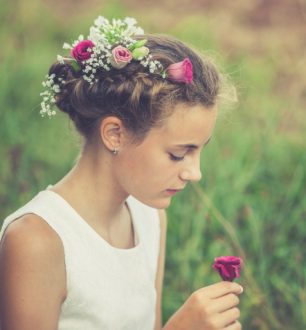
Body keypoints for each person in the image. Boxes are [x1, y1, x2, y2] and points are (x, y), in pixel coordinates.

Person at [0, 16, 243, 330]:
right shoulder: (37, 241)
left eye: (199, 150)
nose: (194, 173)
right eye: (178, 154)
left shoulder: (149, 216)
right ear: (115, 134)